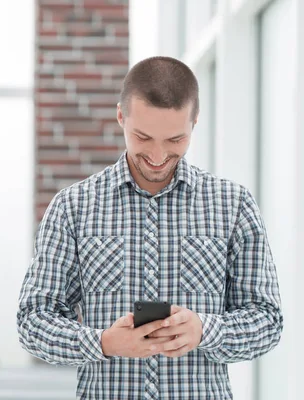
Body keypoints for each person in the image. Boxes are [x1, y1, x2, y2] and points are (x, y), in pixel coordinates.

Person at [17, 56, 283, 398]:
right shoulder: (73, 207)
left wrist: (205, 330)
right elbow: (33, 321)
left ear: (194, 122)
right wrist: (102, 342)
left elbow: (267, 320)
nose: (157, 156)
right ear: (120, 116)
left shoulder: (233, 205)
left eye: (175, 140)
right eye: (143, 137)